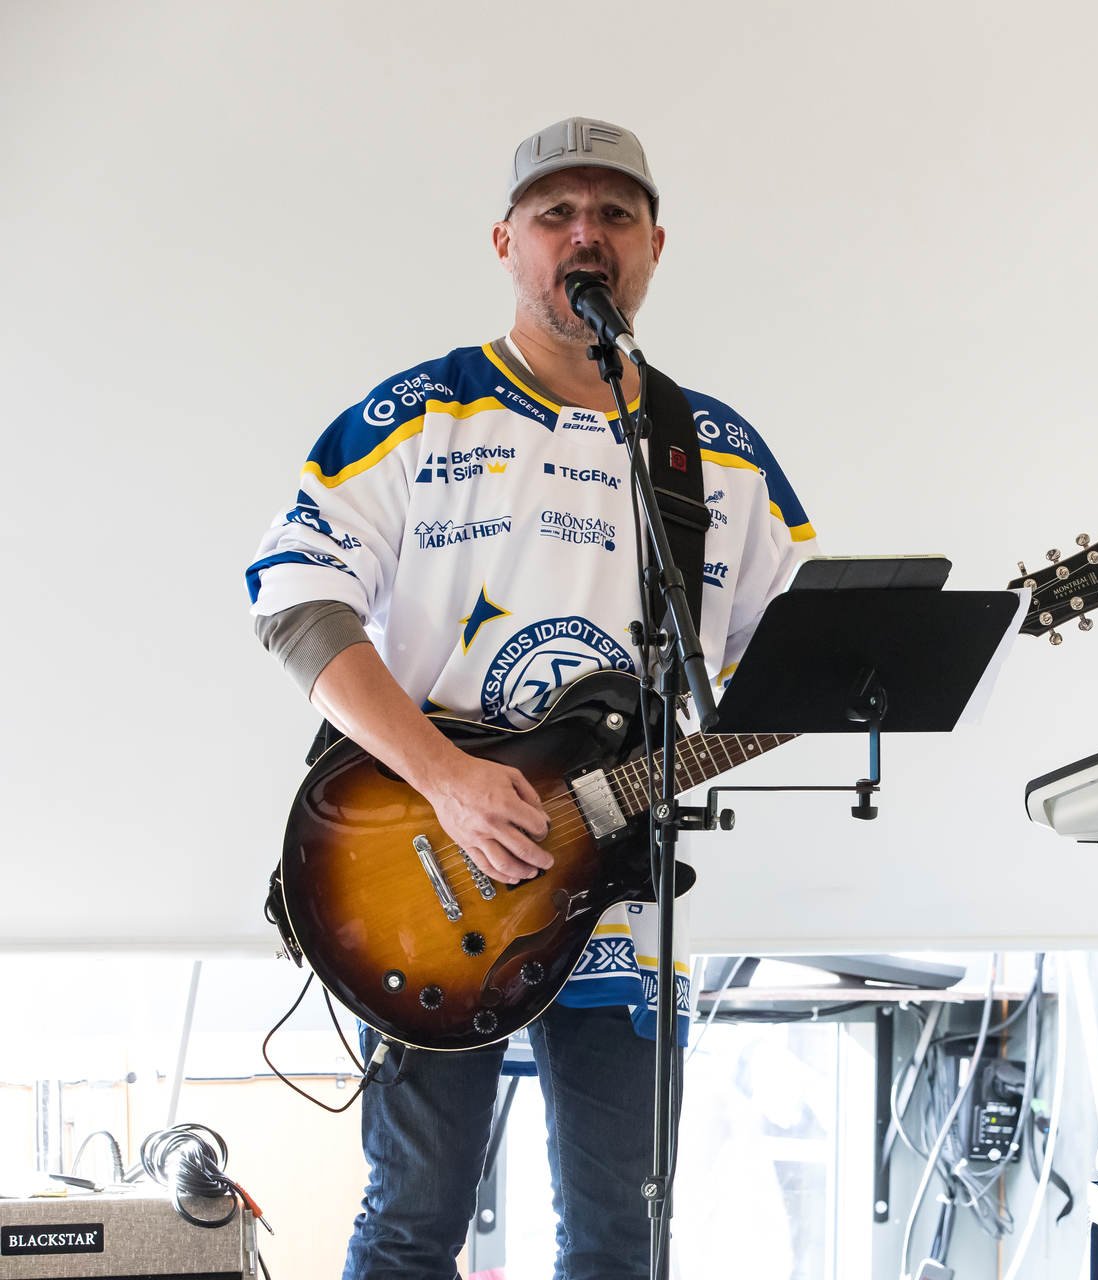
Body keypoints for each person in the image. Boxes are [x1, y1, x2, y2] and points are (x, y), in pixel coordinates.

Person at [246, 116, 815, 1279]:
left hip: (624, 905)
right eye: (557, 214)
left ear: (655, 245)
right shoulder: (422, 413)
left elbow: (794, 658)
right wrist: (445, 778)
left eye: (613, 215)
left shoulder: (717, 450)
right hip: (426, 885)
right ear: (507, 241)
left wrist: (866, 679)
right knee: (413, 1221)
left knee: (620, 1236)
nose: (585, 236)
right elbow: (295, 598)